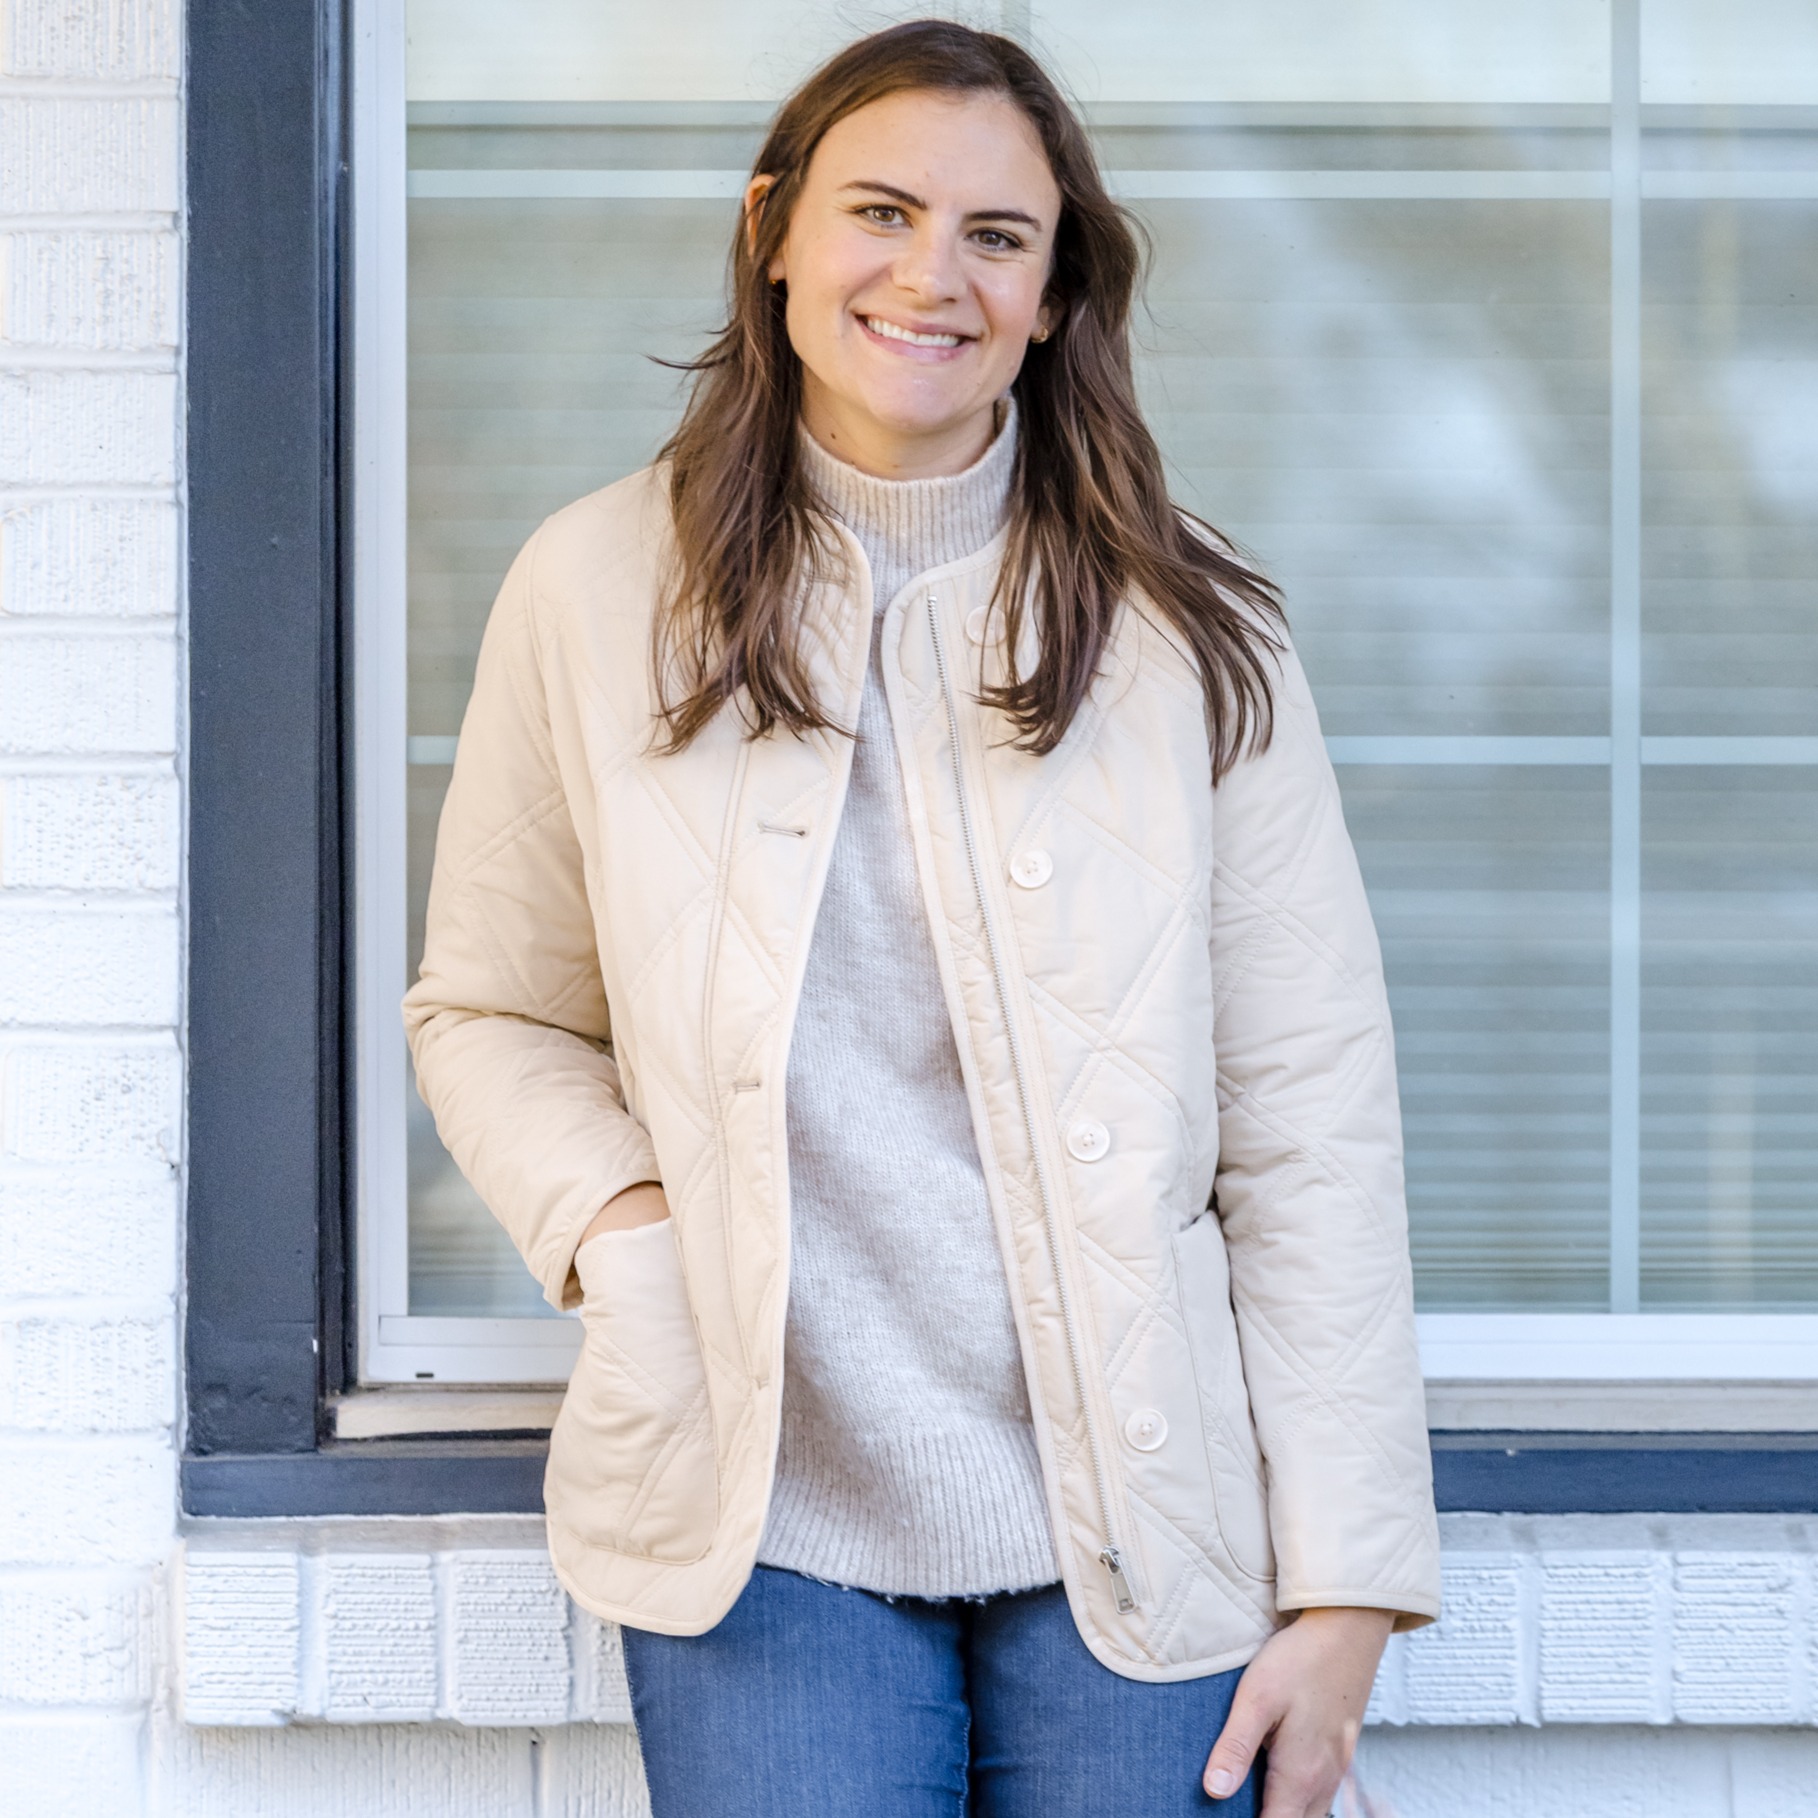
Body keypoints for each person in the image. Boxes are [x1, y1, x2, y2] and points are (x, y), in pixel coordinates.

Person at [405, 19, 1440, 1816]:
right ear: (774, 235)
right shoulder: (589, 586)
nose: (929, 274)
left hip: (1147, 1514)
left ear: (1051, 296)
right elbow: (490, 1008)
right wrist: (632, 1232)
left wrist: (1346, 1582)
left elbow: (1308, 1122)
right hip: (764, 1514)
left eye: (996, 235)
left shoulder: (1195, 639)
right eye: (879, 210)